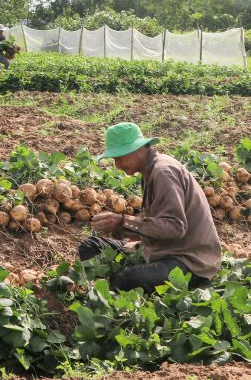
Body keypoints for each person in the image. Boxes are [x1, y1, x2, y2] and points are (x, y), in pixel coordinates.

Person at [79, 122, 221, 291]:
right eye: (115, 159)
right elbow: (156, 224)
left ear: (138, 148)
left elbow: (175, 228)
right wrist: (118, 227)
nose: (117, 165)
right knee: (90, 246)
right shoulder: (150, 170)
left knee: (127, 279)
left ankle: (117, 291)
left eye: (120, 157)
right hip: (159, 250)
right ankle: (110, 288)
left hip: (189, 262)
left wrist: (124, 220)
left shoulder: (163, 172)